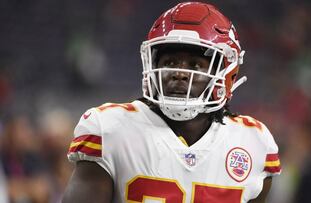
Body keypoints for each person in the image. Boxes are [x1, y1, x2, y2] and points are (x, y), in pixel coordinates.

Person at [62, 2, 281, 203]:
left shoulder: (254, 143)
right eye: (170, 62)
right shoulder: (111, 130)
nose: (179, 73)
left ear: (226, 73)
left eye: (195, 66)